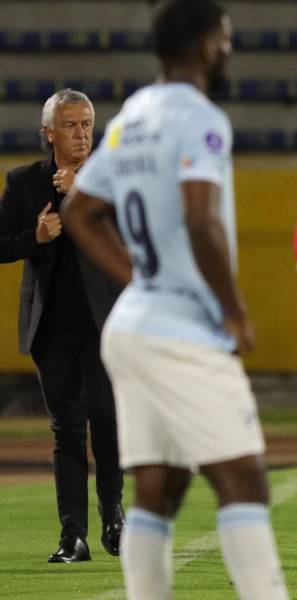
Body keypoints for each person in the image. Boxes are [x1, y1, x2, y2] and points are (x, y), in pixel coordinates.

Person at [60, 1, 288, 598]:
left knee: (158, 488)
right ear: (208, 45)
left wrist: (136, 279)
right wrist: (234, 310)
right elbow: (200, 217)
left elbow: (79, 209)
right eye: (227, 41)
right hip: (184, 332)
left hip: (132, 328)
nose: (229, 51)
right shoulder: (200, 117)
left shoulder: (132, 116)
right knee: (244, 481)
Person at [0, 89, 124, 563]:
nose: (82, 134)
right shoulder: (24, 182)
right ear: (48, 132)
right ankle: (73, 535)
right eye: (70, 125)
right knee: (66, 430)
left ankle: (114, 514)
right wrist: (35, 236)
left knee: (108, 422)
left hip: (104, 323)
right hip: (51, 328)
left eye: (87, 124)